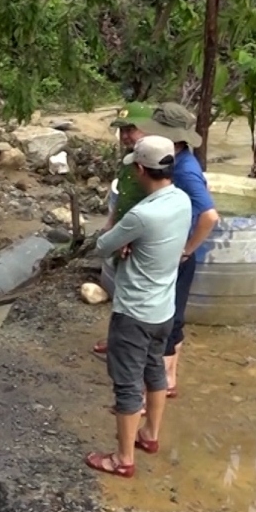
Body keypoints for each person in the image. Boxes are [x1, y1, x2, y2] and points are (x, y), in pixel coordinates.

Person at [85, 136, 191, 478]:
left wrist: (124, 240)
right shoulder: (183, 201)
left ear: (141, 169)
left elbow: (102, 246)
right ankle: (150, 435)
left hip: (134, 314)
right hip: (163, 310)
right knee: (155, 372)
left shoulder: (142, 215)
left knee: (128, 386)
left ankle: (122, 459)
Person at [133, 103, 220, 396]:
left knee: (168, 319)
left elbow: (210, 215)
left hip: (178, 253)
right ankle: (169, 377)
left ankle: (158, 385)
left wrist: (186, 249)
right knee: (175, 314)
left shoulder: (184, 170)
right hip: (176, 250)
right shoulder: (179, 160)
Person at [92, 102, 151, 357]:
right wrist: (109, 225)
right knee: (120, 292)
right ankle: (117, 340)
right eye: (123, 130)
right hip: (124, 235)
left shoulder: (155, 164)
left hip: (138, 240)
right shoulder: (130, 160)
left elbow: (159, 207)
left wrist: (133, 238)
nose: (126, 135)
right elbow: (122, 197)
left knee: (139, 298)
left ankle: (135, 350)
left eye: (131, 129)